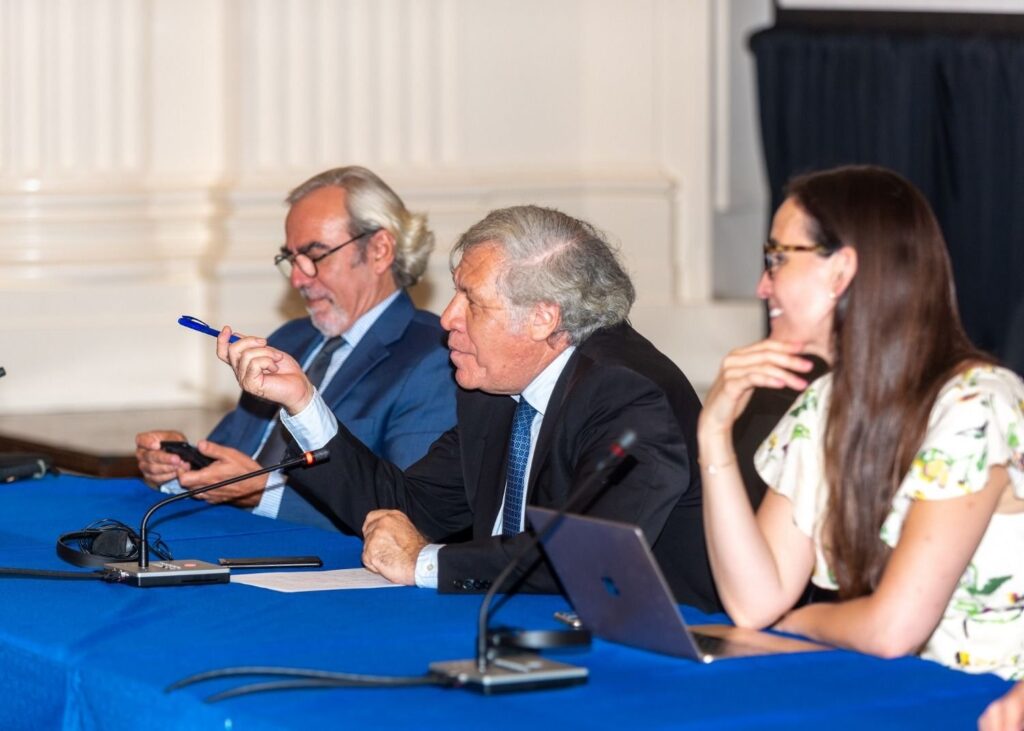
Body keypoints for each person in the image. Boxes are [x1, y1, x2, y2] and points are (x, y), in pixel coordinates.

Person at [217, 205, 718, 609]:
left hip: (663, 648)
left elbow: (590, 556)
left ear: (544, 317)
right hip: (514, 623)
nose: (447, 318)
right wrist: (303, 401)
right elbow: (410, 507)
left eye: (471, 301)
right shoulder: (495, 386)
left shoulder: (628, 393)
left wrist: (427, 563)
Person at [699, 165, 1024, 678]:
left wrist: (805, 621)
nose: (764, 286)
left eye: (778, 258)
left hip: (986, 705)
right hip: (895, 690)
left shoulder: (976, 403)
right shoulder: (823, 404)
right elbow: (754, 603)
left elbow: (893, 628)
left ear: (841, 271)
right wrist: (712, 437)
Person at [135, 166, 457, 531]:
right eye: (291, 259)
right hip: (225, 536)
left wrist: (264, 493)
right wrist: (181, 464)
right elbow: (229, 459)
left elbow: (415, 517)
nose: (300, 278)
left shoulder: (433, 354)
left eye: (316, 255)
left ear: (380, 250)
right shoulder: (292, 339)